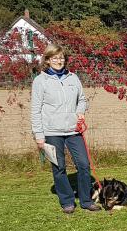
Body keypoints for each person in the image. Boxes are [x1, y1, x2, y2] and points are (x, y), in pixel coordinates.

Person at [31, 43, 101, 214]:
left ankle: (86, 201)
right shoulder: (40, 81)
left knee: (84, 165)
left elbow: (82, 100)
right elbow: (35, 109)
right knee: (59, 167)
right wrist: (39, 136)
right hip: (51, 132)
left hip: (73, 131)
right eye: (54, 58)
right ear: (47, 60)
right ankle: (67, 201)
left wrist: (79, 112)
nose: (59, 61)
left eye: (61, 57)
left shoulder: (73, 78)